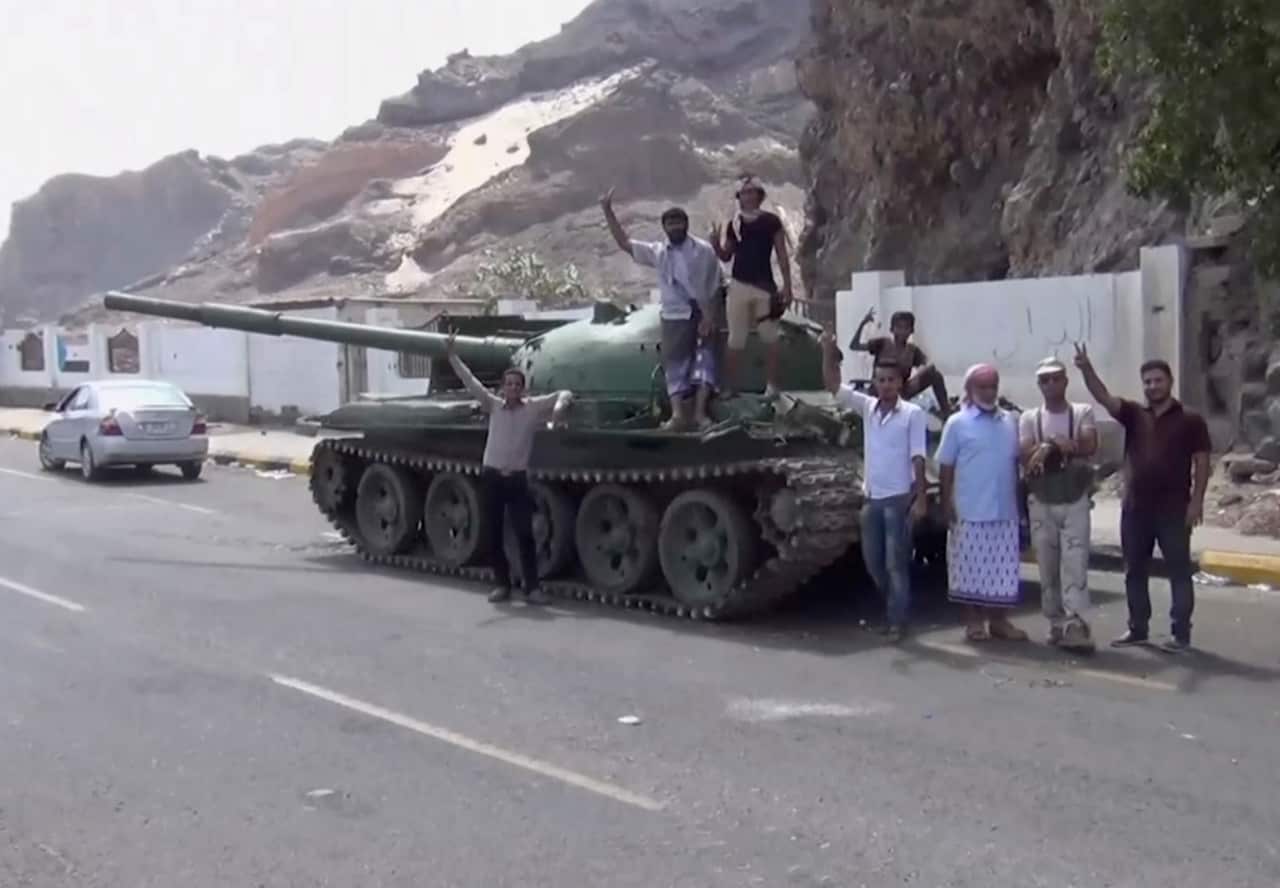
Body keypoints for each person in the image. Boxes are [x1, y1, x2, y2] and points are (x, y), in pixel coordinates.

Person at [1074, 344, 1211, 652]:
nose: (1152, 386)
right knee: (1134, 570)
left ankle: (1180, 635)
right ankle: (1137, 628)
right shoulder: (1134, 415)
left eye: (1157, 380)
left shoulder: (1191, 419)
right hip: (1136, 509)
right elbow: (1104, 398)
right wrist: (1086, 369)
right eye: (1147, 381)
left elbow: (1202, 462)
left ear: (1170, 382)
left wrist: (1197, 502)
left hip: (1174, 510)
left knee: (1178, 571)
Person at [446, 331, 574, 605]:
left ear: (523, 388)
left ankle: (532, 588)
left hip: (516, 479)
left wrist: (559, 408)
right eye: (509, 384)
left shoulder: (531, 409)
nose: (513, 388)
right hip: (492, 476)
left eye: (517, 384)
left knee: (525, 534)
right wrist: (453, 355)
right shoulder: (493, 405)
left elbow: (563, 393)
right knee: (492, 533)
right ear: (503, 387)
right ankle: (501, 584)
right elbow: (470, 382)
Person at [821, 331, 927, 641]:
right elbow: (832, 386)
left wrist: (920, 499)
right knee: (874, 563)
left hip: (898, 500)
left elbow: (919, 458)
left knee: (896, 564)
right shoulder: (869, 408)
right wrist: (828, 351)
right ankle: (896, 607)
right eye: (880, 380)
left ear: (900, 383)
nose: (885, 385)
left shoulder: (913, 414)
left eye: (891, 380)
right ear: (874, 382)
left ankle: (897, 621)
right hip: (871, 499)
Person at [601, 187, 722, 430]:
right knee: (674, 364)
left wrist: (709, 316)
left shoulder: (704, 251)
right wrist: (607, 211)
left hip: (703, 314)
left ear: (686, 224)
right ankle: (678, 415)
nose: (675, 227)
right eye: (670, 223)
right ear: (664, 227)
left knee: (704, 362)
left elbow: (716, 284)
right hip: (674, 315)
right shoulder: (658, 252)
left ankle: (700, 414)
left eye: (679, 222)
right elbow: (625, 243)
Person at [937, 363, 1028, 642]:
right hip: (970, 509)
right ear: (969, 390)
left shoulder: (1009, 421)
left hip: (1004, 509)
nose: (989, 393)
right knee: (969, 570)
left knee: (1002, 571)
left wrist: (1020, 504)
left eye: (993, 387)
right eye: (982, 387)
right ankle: (973, 622)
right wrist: (946, 502)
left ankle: (999, 622)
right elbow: (946, 466)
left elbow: (1015, 465)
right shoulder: (958, 423)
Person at [1020, 356, 1099, 652]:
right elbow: (1024, 454)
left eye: (1056, 378)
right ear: (1039, 385)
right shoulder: (1030, 418)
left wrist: (1050, 446)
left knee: (1075, 564)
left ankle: (1077, 624)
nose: (1051, 384)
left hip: (1074, 498)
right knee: (1048, 567)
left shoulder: (1081, 412)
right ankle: (1056, 623)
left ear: (1066, 381)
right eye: (1045, 379)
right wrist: (1055, 444)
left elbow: (1089, 444)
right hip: (1041, 500)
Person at [709, 176, 793, 397]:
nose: (747, 196)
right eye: (744, 193)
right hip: (738, 285)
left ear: (759, 195)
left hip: (765, 286)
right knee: (736, 338)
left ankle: (773, 386)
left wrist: (788, 286)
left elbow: (782, 253)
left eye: (751, 192)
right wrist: (716, 245)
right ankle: (729, 387)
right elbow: (727, 256)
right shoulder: (734, 224)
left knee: (770, 337)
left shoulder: (771, 221)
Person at [849, 307, 951, 417]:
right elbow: (854, 346)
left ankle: (946, 412)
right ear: (892, 329)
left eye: (906, 328)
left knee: (935, 374)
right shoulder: (882, 343)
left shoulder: (912, 350)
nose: (902, 331)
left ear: (911, 330)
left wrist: (921, 371)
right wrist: (863, 324)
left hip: (900, 392)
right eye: (899, 327)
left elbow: (926, 365)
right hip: (879, 391)